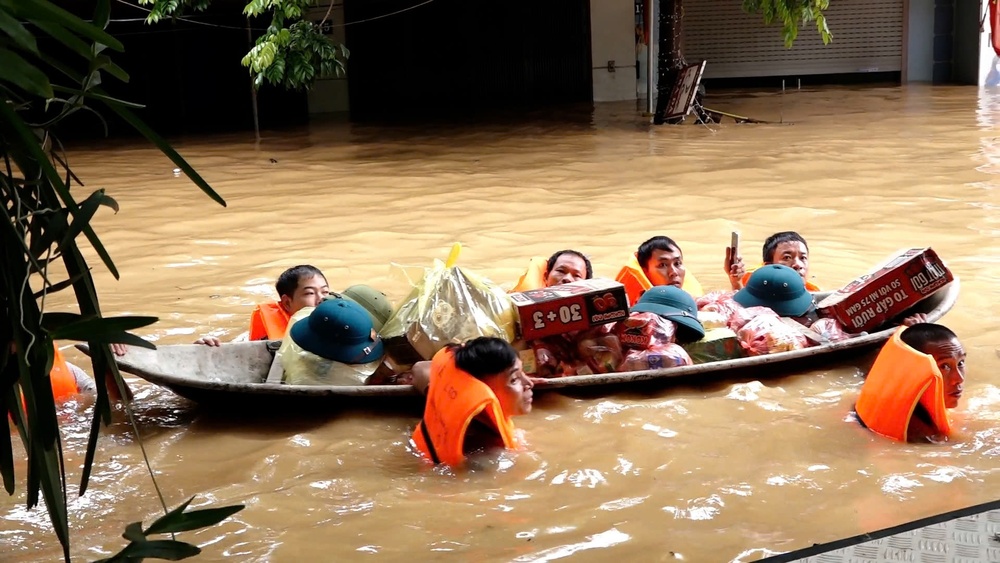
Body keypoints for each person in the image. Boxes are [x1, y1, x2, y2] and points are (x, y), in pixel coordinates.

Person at [410, 337, 533, 467]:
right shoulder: (488, 454)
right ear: (483, 390)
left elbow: (419, 368)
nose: (530, 383)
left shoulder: (454, 402)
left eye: (523, 373)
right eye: (514, 379)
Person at [855, 323, 966, 443]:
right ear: (913, 372)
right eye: (944, 366)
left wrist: (920, 330)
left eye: (960, 363)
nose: (959, 379)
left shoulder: (881, 393)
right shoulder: (922, 436)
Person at [616, 236, 705, 305]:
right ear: (645, 271)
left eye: (677, 263)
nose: (673, 272)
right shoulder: (636, 314)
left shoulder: (704, 303)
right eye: (662, 265)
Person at [737, 231, 819, 291]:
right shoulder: (750, 283)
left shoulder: (813, 291)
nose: (798, 265)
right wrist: (736, 283)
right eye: (787, 258)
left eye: (803, 258)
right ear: (768, 267)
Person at [510, 250, 593, 292]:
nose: (567, 278)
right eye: (561, 271)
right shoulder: (515, 304)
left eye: (577, 275)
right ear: (546, 276)